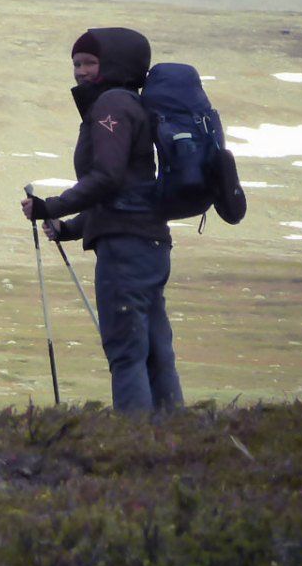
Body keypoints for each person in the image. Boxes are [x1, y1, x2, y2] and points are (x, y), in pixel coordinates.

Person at [21, 27, 183, 413]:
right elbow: (125, 189)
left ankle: (133, 438)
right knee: (156, 350)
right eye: (76, 63)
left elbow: (107, 178)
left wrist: (50, 207)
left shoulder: (111, 105)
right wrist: (69, 229)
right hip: (149, 243)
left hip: (125, 250)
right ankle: (175, 432)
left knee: (126, 350)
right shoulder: (129, 103)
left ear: (113, 64)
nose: (80, 71)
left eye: (89, 63)